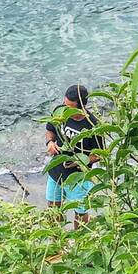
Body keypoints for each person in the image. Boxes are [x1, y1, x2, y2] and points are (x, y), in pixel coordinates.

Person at [45, 83, 102, 227]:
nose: (65, 110)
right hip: (56, 170)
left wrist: (82, 161)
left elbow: (99, 154)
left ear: (81, 107)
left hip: (78, 177)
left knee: (80, 212)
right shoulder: (60, 112)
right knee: (53, 208)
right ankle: (56, 243)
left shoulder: (93, 125)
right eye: (64, 104)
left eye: (69, 107)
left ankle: (80, 244)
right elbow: (50, 129)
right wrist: (50, 143)